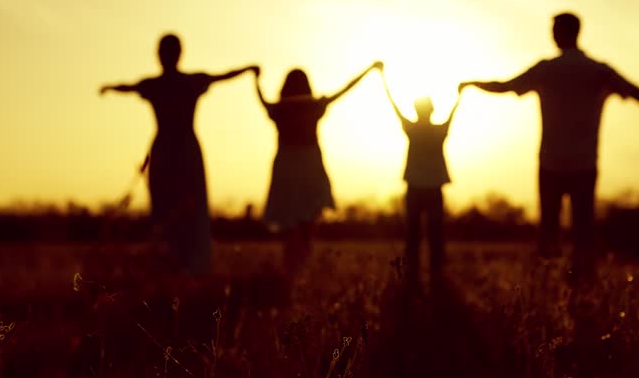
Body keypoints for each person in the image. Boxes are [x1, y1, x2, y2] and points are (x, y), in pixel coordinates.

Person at [460, 12, 639, 280]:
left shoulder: (547, 69)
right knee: (583, 229)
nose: (551, 34)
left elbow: (505, 86)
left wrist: (472, 85)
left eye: (554, 29)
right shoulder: (598, 70)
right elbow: (632, 90)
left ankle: (548, 281)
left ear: (562, 33)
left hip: (551, 162)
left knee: (549, 228)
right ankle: (582, 281)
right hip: (585, 162)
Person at [99, 33, 256, 275]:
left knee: (182, 207)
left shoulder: (174, 83)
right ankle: (173, 263)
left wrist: (247, 69)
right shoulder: (167, 84)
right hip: (172, 151)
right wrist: (109, 88)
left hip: (179, 151)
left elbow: (222, 76)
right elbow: (128, 87)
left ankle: (187, 265)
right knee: (167, 206)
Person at [253, 62, 381, 273]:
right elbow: (347, 87)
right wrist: (369, 69)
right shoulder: (313, 106)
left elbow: (261, 100)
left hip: (287, 165)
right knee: (307, 215)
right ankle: (300, 261)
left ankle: (293, 263)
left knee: (290, 216)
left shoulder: (280, 108)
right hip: (308, 164)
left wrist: (255, 80)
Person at [378, 63, 462, 290]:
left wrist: (383, 78)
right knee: (435, 234)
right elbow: (454, 112)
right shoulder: (438, 130)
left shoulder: (412, 128)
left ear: (416, 110)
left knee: (413, 235)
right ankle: (435, 275)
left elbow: (393, 104)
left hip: (416, 187)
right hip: (432, 188)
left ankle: (414, 275)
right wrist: (460, 96)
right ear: (432, 110)